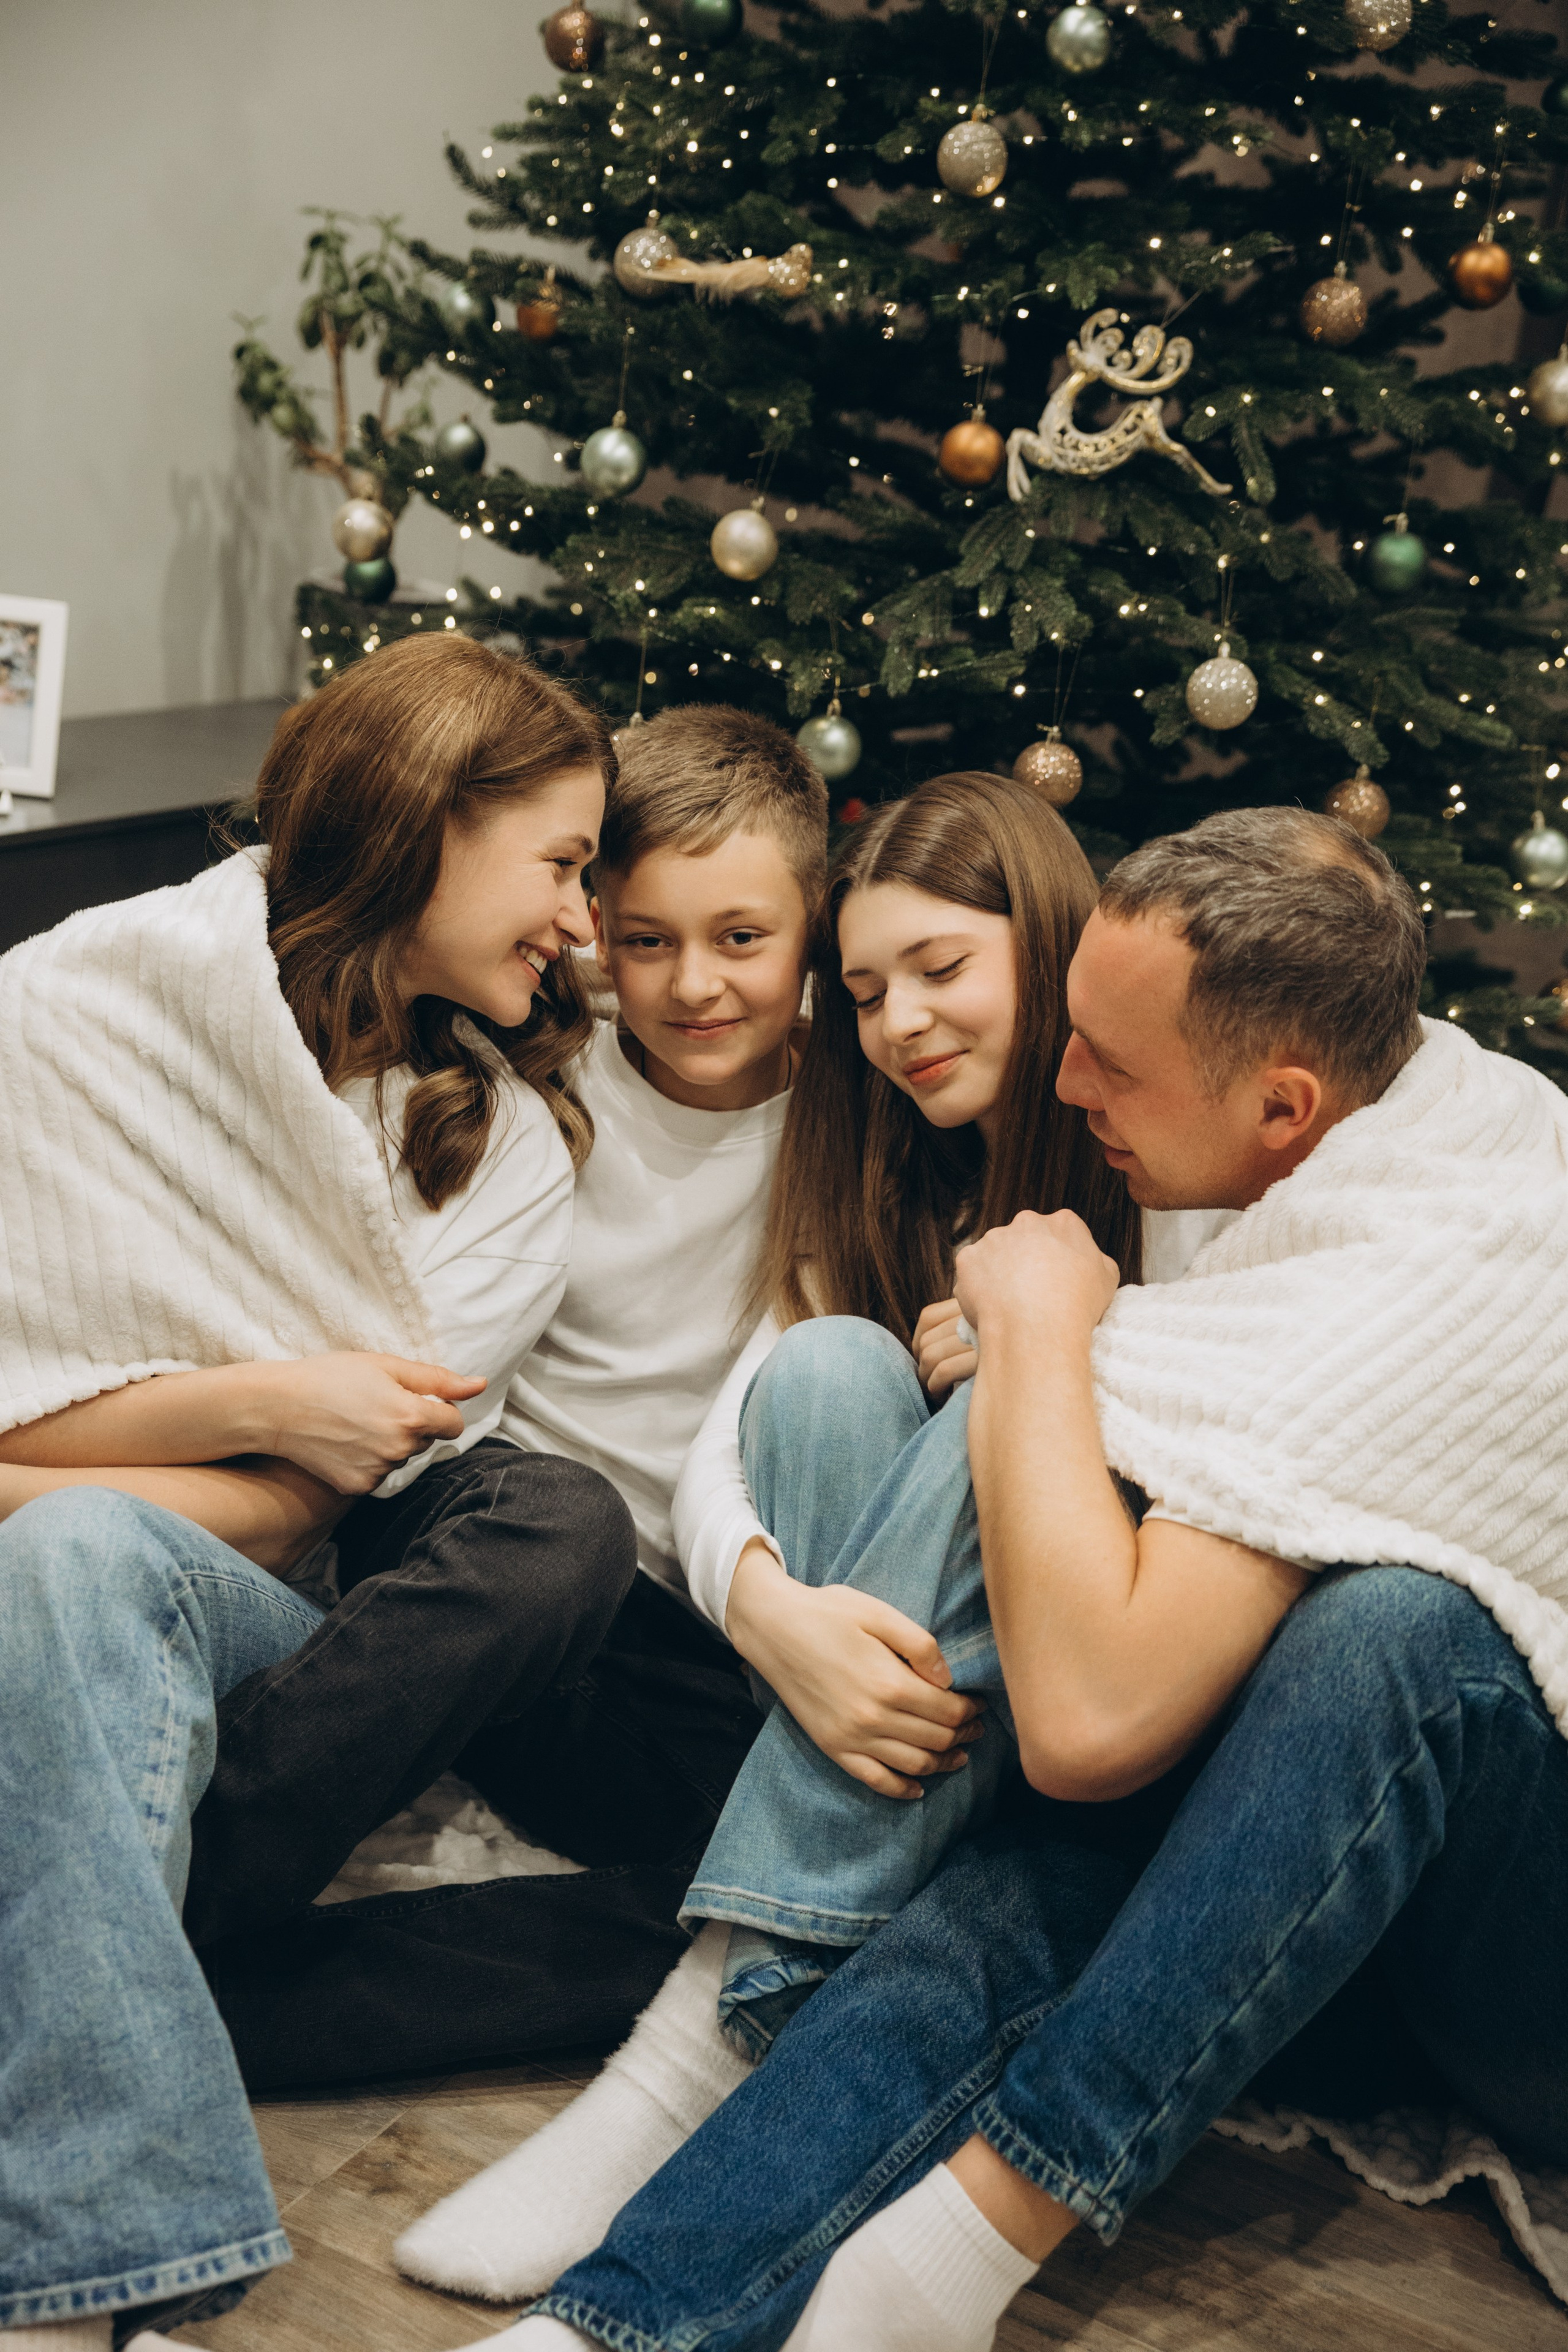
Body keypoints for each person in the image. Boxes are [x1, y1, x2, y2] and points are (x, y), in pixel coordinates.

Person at [477, 807, 1568, 2352]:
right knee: (1032, 1874)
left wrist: (1043, 1335)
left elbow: (1086, 1723)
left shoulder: (1433, 1261)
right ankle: (616, 2319)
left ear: (1282, 1104)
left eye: (1108, 1063)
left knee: (1390, 1631)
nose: (1067, 1084)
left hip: (1518, 1979)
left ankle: (944, 2212)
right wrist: (785, 1585)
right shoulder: (1346, 1124)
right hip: (1292, 1888)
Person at [400, 772, 1224, 2304]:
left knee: (994, 1409)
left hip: (1101, 1713)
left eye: (940, 968)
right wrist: (773, 1613)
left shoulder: (1158, 1138)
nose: (899, 1023)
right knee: (834, 1366)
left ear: (1046, 947)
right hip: (913, 1713)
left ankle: (686, 2053)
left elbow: (1248, 1448)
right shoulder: (891, 1160)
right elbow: (740, 1421)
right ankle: (813, 1938)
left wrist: (1065, 1359)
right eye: (862, 991)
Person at [0, 634, 638, 2346]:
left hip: (272, 1602)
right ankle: (87, 2279)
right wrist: (256, 1398)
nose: (580, 922)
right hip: (55, 1575)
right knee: (71, 1555)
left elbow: (297, 1518)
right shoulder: (67, 1013)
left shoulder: (504, 1152)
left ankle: (71, 1975)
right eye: (561, 862)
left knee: (543, 1526)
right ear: (430, 817)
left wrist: (89, 1476)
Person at [197, 702, 831, 2089]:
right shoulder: (532, 1069)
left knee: (772, 1899)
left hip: (685, 1631)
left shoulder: (851, 1117)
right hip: (488, 1540)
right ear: (594, 925)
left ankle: (216, 2008)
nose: (694, 985)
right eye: (646, 940)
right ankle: (175, 1873)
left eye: (742, 939)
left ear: (810, 932)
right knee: (560, 1521)